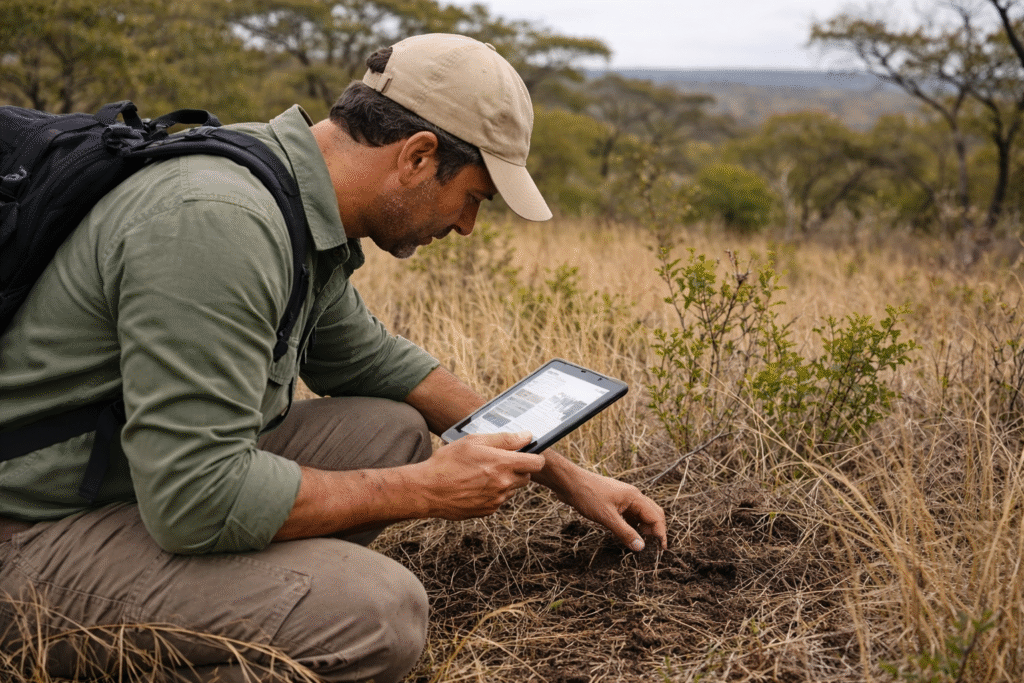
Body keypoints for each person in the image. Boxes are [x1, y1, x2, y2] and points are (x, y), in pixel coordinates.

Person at [0, 34, 667, 682]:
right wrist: (426, 489)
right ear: (417, 156)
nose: (466, 226)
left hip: (121, 478)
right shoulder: (220, 220)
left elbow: (383, 365)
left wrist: (566, 475)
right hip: (27, 536)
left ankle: (244, 599)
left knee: (391, 427)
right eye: (472, 197)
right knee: (379, 613)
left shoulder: (285, 189)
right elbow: (197, 499)